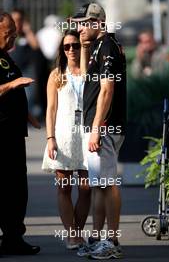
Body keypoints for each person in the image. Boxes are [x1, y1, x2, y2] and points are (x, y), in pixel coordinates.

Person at [70, 2, 126, 259]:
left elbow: (107, 89)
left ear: (97, 22)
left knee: (107, 182)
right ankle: (98, 237)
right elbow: (84, 81)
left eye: (83, 23)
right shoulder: (96, 47)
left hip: (103, 126)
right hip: (96, 125)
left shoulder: (108, 47)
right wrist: (83, 47)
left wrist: (97, 128)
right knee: (99, 185)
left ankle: (112, 240)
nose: (79, 28)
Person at [42, 29, 91, 249]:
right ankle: (72, 235)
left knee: (86, 187)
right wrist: (50, 138)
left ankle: (78, 232)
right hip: (62, 135)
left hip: (87, 135)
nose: (71, 50)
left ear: (82, 47)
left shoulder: (91, 71)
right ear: (62, 50)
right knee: (64, 188)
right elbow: (50, 109)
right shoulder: (56, 75)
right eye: (66, 46)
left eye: (75, 45)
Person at [0, 12, 40, 255]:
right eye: (8, 33)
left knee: (16, 189)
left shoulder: (5, 57)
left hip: (14, 135)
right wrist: (13, 85)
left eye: (15, 31)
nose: (14, 36)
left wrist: (28, 115)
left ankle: (14, 238)